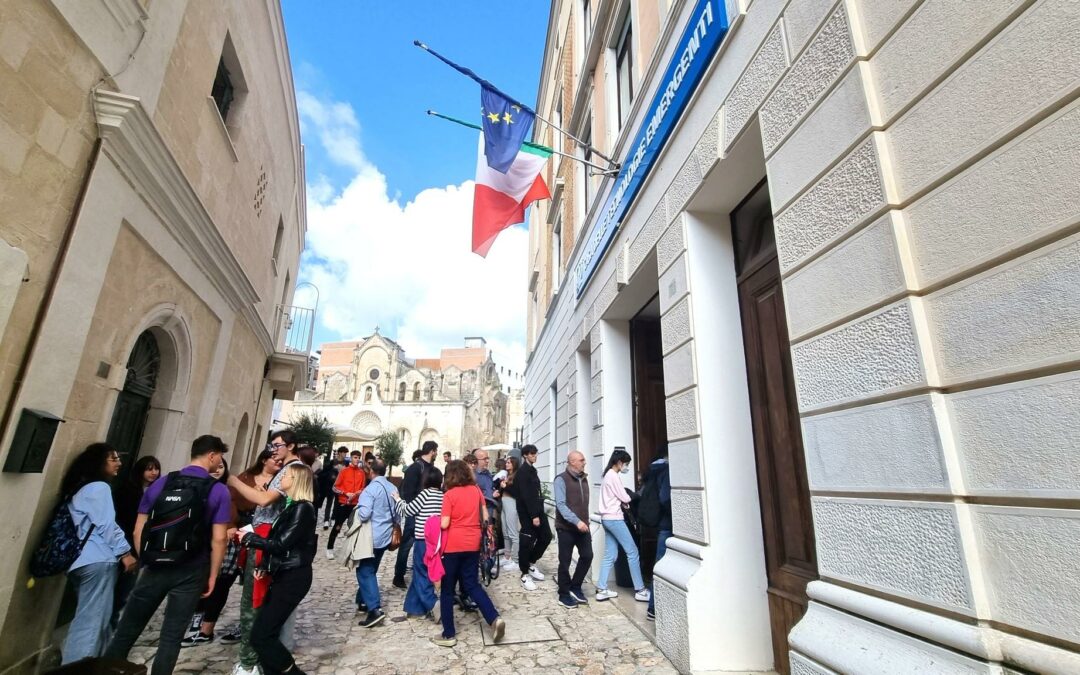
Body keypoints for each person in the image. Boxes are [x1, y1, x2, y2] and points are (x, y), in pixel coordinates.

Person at [106, 435, 231, 675]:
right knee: (171, 637)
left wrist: (149, 559)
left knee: (126, 631)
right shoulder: (218, 491)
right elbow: (219, 539)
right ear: (212, 455)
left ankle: (108, 671)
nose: (219, 463)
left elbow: (138, 529)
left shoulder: (162, 483)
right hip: (192, 568)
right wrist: (213, 573)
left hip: (154, 567)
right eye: (220, 457)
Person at [227, 430, 304, 675]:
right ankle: (265, 656)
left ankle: (249, 663)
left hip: (264, 540)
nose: (273, 449)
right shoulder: (288, 469)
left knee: (254, 601)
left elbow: (264, 501)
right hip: (262, 538)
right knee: (259, 600)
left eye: (277, 445)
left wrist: (232, 480)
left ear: (290, 446)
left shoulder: (293, 470)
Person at [61, 443, 137, 664]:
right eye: (113, 459)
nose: (119, 463)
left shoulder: (81, 488)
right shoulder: (98, 488)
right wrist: (125, 553)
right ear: (99, 462)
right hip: (97, 558)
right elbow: (106, 525)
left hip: (83, 560)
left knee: (97, 619)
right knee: (92, 622)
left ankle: (97, 665)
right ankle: (78, 668)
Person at [242, 463, 318, 675]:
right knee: (266, 633)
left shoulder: (303, 508)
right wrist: (265, 565)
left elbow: (282, 544)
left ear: (295, 481)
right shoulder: (290, 506)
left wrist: (249, 538)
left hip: (293, 577)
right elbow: (280, 542)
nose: (282, 477)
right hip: (284, 573)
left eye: (286, 475)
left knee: (261, 635)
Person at [433, 460, 505, 647]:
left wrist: (434, 520)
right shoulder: (476, 491)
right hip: (472, 544)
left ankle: (449, 634)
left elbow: (444, 523)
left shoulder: (449, 495)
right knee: (472, 584)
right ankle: (494, 618)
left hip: (452, 545)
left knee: (448, 589)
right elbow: (485, 517)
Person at [181, 458, 241, 647]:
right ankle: (194, 625)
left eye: (221, 467)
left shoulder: (231, 491)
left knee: (219, 588)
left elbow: (242, 515)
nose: (217, 470)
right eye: (216, 466)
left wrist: (233, 527)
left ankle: (207, 629)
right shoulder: (196, 489)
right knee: (198, 587)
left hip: (226, 547)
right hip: (199, 546)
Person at [595, 449, 648, 602]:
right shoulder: (613, 476)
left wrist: (621, 501)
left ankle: (602, 588)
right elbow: (625, 496)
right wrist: (625, 500)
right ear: (619, 462)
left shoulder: (607, 475)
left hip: (606, 518)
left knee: (610, 555)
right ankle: (640, 589)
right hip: (615, 519)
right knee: (632, 552)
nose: (627, 467)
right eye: (626, 464)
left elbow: (616, 498)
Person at [112, 455, 161, 621]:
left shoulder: (156, 492)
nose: (153, 473)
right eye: (149, 469)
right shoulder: (129, 491)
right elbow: (124, 521)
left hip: (139, 547)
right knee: (117, 591)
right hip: (125, 547)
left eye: (156, 469)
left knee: (124, 592)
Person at [393, 467, 444, 620]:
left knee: (421, 572)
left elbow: (408, 510)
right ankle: (414, 609)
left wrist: (397, 499)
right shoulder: (442, 496)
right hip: (437, 541)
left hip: (423, 540)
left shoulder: (425, 494)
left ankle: (433, 603)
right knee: (421, 573)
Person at [354, 459, 400, 628]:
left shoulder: (370, 489)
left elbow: (364, 514)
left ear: (371, 471)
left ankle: (374, 609)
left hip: (371, 536)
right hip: (385, 535)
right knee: (371, 568)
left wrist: (357, 509)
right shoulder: (392, 488)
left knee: (365, 571)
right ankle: (363, 600)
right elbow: (397, 513)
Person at [553, 450, 593, 608]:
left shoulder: (584, 479)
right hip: (566, 528)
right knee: (565, 561)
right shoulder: (561, 480)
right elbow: (561, 505)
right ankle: (563, 594)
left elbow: (583, 505)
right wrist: (577, 522)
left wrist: (586, 522)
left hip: (583, 527)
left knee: (587, 556)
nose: (584, 462)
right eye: (582, 460)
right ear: (572, 462)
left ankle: (575, 587)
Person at [394, 440, 436, 588]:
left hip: (430, 515)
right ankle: (398, 575)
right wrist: (415, 510)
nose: (436, 454)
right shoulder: (414, 468)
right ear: (432, 451)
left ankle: (425, 574)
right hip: (416, 513)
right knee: (407, 544)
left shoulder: (431, 468)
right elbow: (408, 492)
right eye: (435, 451)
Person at [513, 444, 550, 591]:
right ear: (525, 455)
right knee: (527, 541)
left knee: (546, 536)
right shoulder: (522, 472)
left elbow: (535, 492)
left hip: (538, 509)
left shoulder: (533, 470)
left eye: (536, 453)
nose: (535, 456)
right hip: (528, 512)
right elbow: (526, 495)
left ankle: (531, 563)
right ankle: (524, 573)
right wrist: (534, 515)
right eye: (532, 454)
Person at [644, 444, 671, 621]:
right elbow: (665, 497)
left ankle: (653, 607)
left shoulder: (652, 470)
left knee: (660, 565)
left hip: (660, 524)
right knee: (661, 565)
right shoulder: (667, 470)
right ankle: (654, 606)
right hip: (669, 523)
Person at [326, 449, 366, 559]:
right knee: (338, 526)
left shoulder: (361, 473)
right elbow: (335, 487)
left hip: (355, 504)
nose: (357, 460)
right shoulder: (344, 471)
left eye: (358, 458)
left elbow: (363, 488)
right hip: (343, 503)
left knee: (354, 527)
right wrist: (345, 493)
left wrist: (358, 492)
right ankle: (329, 548)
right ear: (351, 458)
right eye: (355, 457)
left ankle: (351, 550)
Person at [498, 456, 520, 571]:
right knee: (505, 531)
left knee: (513, 533)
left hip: (512, 503)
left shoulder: (517, 476)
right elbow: (505, 490)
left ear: (513, 464)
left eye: (508, 463)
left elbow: (517, 492)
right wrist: (500, 490)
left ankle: (515, 560)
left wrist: (505, 486)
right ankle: (507, 556)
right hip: (504, 503)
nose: (506, 464)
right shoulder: (507, 475)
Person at [316, 448, 347, 528]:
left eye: (346, 453)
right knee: (328, 503)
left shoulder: (346, 463)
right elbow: (324, 472)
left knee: (337, 503)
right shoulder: (332, 462)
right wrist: (333, 471)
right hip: (329, 486)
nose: (345, 455)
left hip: (340, 486)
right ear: (339, 453)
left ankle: (333, 518)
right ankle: (326, 520)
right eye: (344, 453)